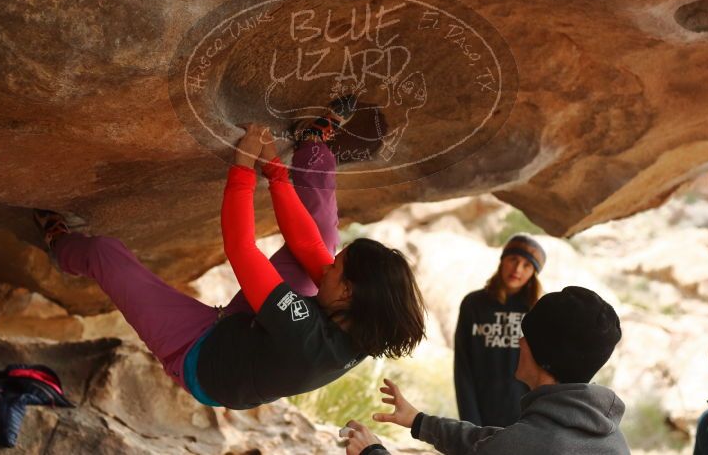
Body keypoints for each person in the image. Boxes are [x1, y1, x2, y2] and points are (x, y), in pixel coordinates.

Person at [34, 109, 426, 410]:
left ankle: (59, 246)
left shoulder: (306, 333)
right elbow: (308, 245)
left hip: (196, 352)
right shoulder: (363, 319)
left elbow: (241, 249)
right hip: (255, 330)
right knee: (321, 236)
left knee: (105, 254)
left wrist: (242, 167)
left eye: (337, 269)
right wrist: (274, 171)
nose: (329, 266)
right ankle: (312, 145)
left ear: (347, 293)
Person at [343, 286, 630, 455]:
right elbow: (489, 443)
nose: (519, 341)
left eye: (527, 336)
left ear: (544, 356)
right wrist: (419, 421)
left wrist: (372, 451)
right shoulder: (610, 438)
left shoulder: (532, 443)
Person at [453, 235, 545, 426]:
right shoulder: (473, 304)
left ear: (533, 273)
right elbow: (463, 365)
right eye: (513, 260)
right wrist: (470, 422)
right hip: (479, 412)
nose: (517, 269)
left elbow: (544, 371)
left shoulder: (537, 310)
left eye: (527, 265)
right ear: (502, 260)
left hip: (526, 417)